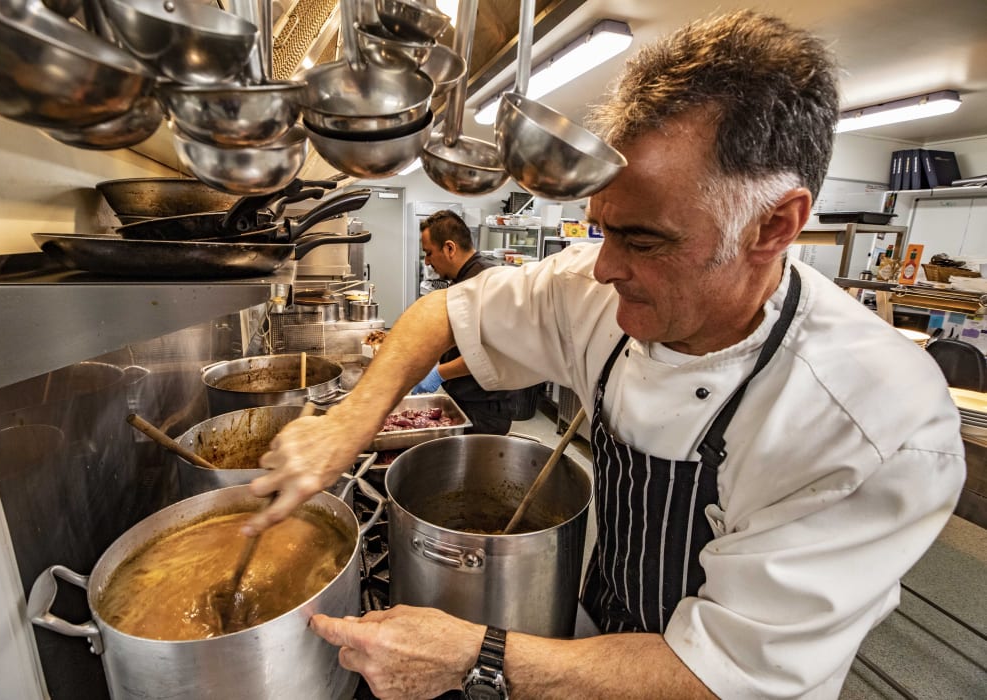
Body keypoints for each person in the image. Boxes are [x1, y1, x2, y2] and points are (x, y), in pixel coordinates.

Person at [247, 10, 965, 699]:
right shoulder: (594, 290)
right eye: (603, 231)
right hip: (590, 646)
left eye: (644, 241)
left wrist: (474, 655)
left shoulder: (875, 421)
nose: (602, 269)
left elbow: (718, 677)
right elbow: (444, 311)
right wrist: (347, 424)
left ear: (774, 226)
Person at [412, 209, 520, 435]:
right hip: (466, 399)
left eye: (429, 253)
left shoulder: (488, 282)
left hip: (485, 409)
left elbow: (492, 353)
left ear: (449, 248)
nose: (428, 261)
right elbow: (467, 335)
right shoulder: (464, 279)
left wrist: (439, 373)